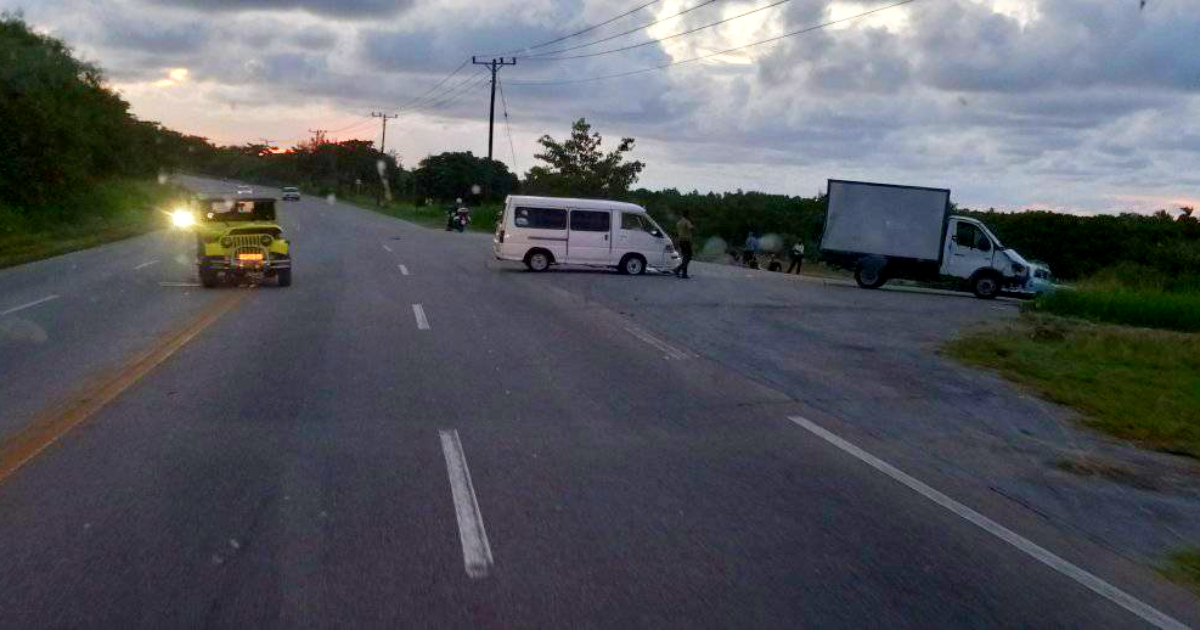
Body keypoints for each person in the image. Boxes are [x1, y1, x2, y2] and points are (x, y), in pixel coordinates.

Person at [674, 210, 695, 279]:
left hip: (681, 241)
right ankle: (678, 269)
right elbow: (691, 228)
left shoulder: (679, 222)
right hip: (686, 241)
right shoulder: (687, 221)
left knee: (685, 257)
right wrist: (692, 223)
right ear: (687, 215)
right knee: (689, 257)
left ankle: (684, 273)